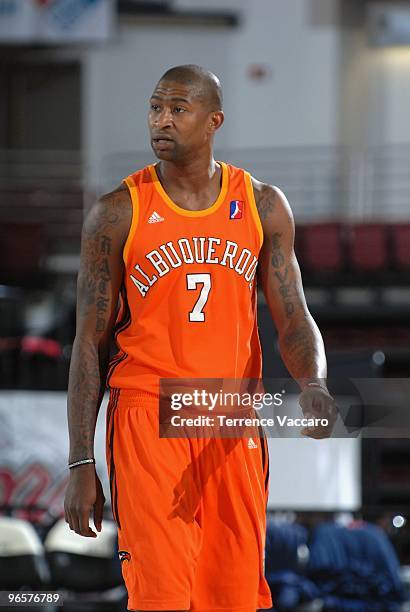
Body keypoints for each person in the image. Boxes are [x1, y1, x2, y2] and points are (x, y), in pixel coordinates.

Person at [64, 64, 336, 612]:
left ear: (213, 121)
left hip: (229, 419)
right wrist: (79, 463)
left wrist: (315, 382)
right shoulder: (118, 211)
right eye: (155, 107)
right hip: (148, 414)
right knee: (161, 595)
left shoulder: (261, 204)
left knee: (232, 596)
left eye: (177, 109)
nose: (161, 120)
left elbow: (294, 314)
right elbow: (88, 344)